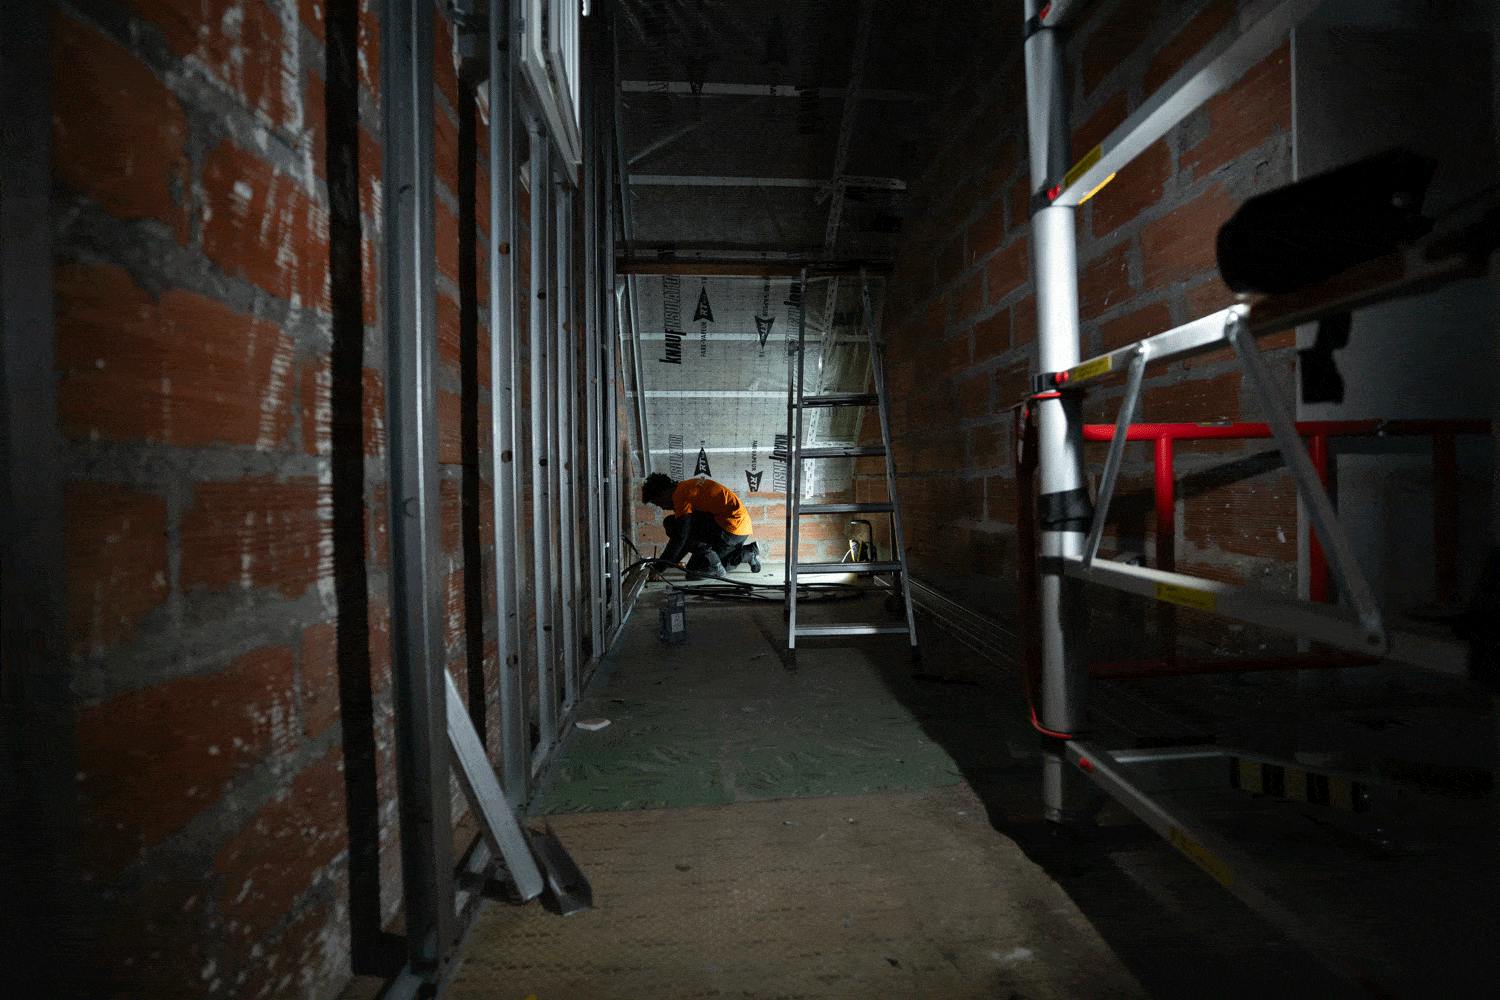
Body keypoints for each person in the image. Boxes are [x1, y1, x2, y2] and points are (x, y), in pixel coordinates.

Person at [641, 472, 762, 580]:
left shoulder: (680, 495)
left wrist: (660, 567)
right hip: (733, 527)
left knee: (695, 572)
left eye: (658, 503)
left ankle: (736, 558)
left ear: (663, 493)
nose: (662, 507)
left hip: (731, 531)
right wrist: (669, 563)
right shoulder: (685, 488)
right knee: (674, 525)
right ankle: (746, 552)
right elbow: (685, 536)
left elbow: (681, 537)